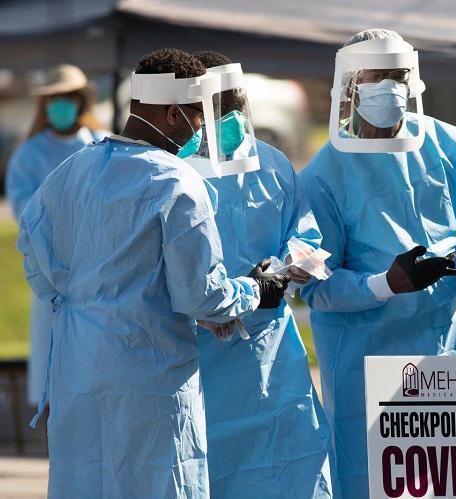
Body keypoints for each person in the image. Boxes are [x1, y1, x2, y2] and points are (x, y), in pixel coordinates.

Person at [16, 48, 288, 499]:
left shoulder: (69, 172)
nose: (202, 132)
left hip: (77, 372)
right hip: (150, 377)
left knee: (86, 484)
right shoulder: (176, 182)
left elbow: (33, 255)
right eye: (199, 119)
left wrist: (80, 304)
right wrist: (254, 290)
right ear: (175, 113)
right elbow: (200, 297)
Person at [299, 29, 456, 498]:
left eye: (398, 75)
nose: (390, 86)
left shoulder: (446, 144)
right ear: (350, 85)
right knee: (378, 483)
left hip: (454, 344)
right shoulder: (323, 175)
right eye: (378, 76)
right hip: (369, 363)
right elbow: (315, 286)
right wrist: (384, 284)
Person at [190, 51, 332, 499]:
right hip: (198, 349)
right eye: (218, 108)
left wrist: (290, 264)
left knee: (290, 462)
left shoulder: (271, 164)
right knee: (205, 467)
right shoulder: (174, 172)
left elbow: (303, 234)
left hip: (269, 352)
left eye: (236, 106)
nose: (229, 118)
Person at [5, 63, 107, 406]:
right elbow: (23, 208)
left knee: (96, 368)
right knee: (52, 366)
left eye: (67, 98)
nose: (60, 105)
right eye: (54, 99)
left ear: (80, 101)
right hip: (50, 273)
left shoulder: (99, 145)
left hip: (98, 270)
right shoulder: (29, 153)